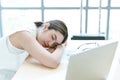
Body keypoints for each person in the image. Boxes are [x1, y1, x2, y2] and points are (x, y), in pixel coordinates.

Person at [0, 20, 68, 80]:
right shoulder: (24, 34)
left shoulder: (35, 30)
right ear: (45, 26)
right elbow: (53, 62)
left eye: (54, 44)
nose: (50, 44)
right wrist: (60, 47)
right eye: (53, 37)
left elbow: (47, 53)